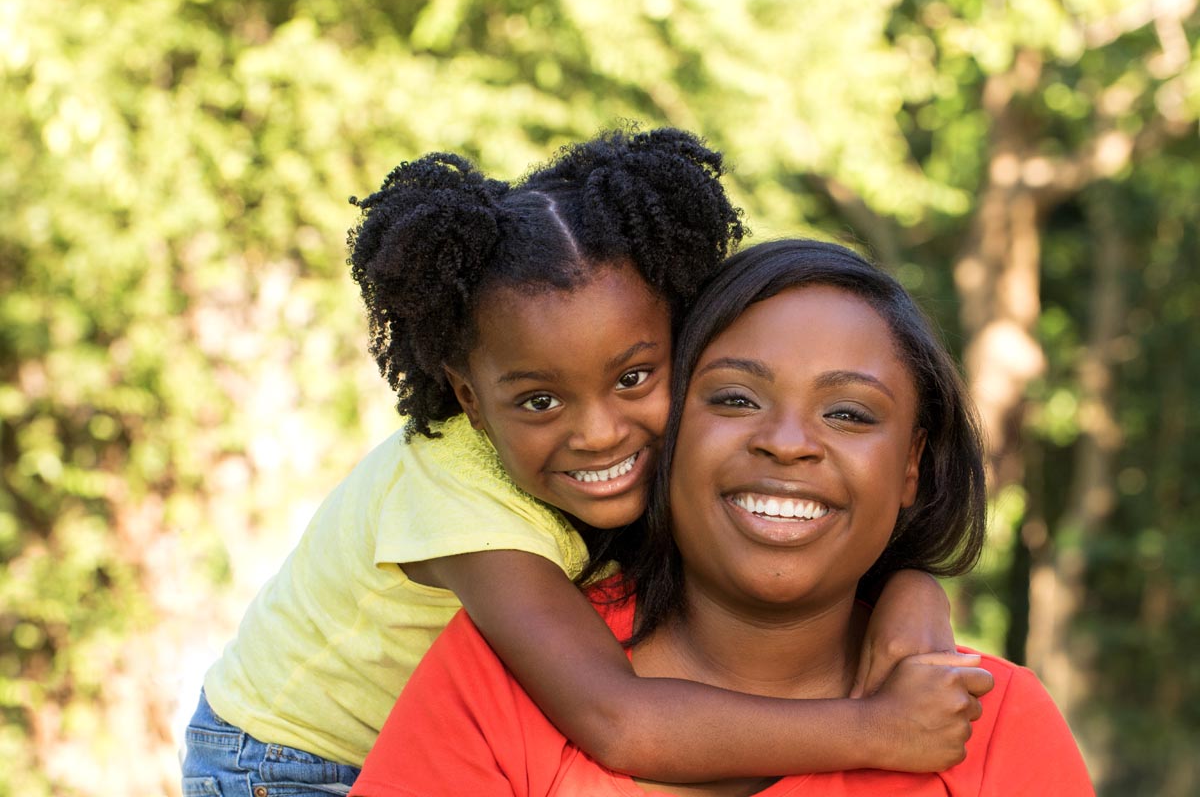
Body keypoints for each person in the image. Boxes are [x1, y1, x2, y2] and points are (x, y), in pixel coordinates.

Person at [182, 132, 972, 797]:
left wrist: (911, 590)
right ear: (469, 397)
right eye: (538, 401)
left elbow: (794, 545)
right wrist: (873, 729)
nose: (598, 434)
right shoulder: (465, 507)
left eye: (633, 378)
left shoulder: (661, 456)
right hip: (285, 761)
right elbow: (617, 720)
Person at [352, 238, 1094, 796]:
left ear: (911, 466)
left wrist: (915, 587)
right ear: (667, 430)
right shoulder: (507, 675)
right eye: (736, 398)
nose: (787, 441)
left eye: (849, 413)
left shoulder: (990, 726)